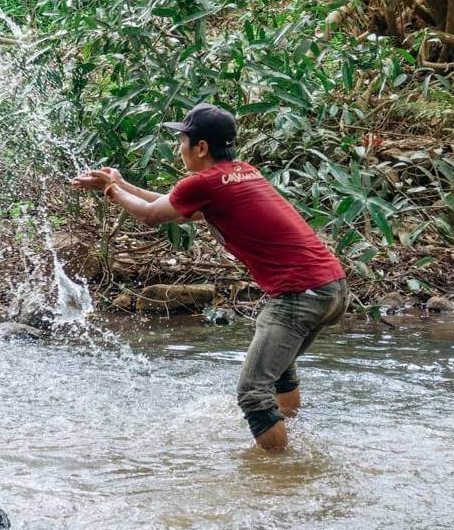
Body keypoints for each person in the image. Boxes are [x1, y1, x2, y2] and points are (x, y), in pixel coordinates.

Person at [73, 103, 347, 452]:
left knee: (251, 393)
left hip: (299, 295)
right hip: (331, 288)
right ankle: (290, 440)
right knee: (277, 373)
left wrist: (111, 188)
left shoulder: (203, 182)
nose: (179, 149)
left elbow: (150, 216)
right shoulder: (242, 173)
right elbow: (171, 206)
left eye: (183, 141)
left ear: (201, 147)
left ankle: (284, 476)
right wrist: (122, 184)